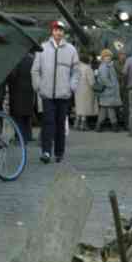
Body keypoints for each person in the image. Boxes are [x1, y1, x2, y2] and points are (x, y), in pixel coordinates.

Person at [32, 21, 79, 164]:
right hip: (47, 94)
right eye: (56, 30)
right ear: (52, 31)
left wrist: (71, 87)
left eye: (61, 30)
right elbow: (35, 70)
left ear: (64, 33)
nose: (58, 33)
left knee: (60, 123)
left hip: (63, 94)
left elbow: (75, 71)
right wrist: (38, 87)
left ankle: (59, 152)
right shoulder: (43, 49)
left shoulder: (71, 50)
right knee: (48, 122)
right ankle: (46, 151)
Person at [6, 52, 36, 146]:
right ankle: (28, 135)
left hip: (17, 91)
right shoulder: (32, 59)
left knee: (18, 116)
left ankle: (20, 138)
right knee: (27, 115)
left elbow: (12, 76)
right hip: (29, 90)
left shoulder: (16, 59)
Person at [94, 49, 122, 131]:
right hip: (108, 91)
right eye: (106, 56)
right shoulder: (104, 66)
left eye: (109, 56)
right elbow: (104, 79)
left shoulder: (107, 65)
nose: (108, 58)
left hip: (106, 92)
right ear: (103, 57)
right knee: (110, 109)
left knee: (104, 109)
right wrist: (112, 85)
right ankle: (115, 126)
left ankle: (98, 126)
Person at [73, 53, 98, 131]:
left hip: (77, 90)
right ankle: (83, 125)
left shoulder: (76, 67)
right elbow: (91, 82)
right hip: (86, 90)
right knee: (85, 107)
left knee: (79, 106)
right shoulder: (88, 68)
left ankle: (76, 123)